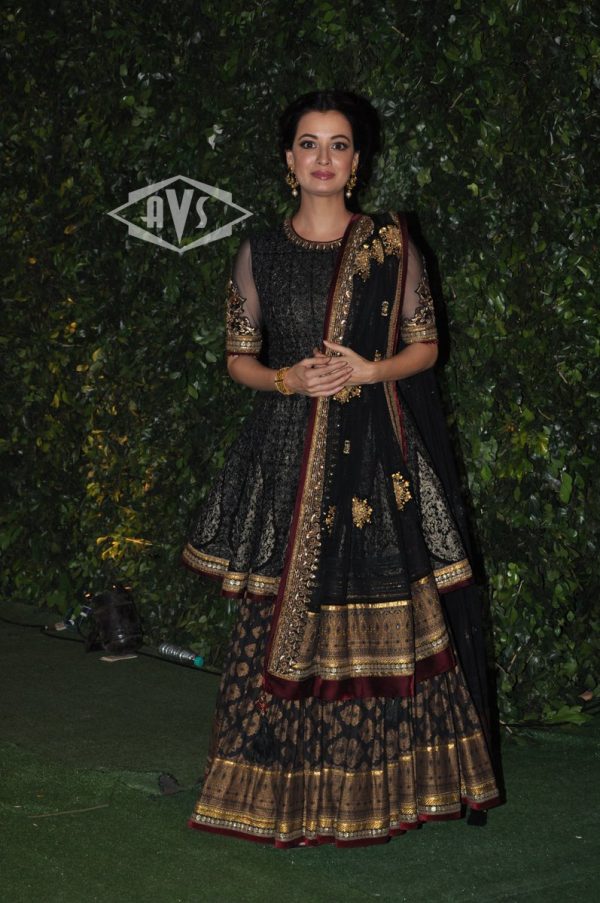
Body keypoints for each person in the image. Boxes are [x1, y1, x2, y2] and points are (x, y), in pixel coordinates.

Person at [182, 89, 502, 847]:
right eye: (308, 144)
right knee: (275, 620)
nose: (322, 158)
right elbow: (238, 358)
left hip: (374, 458)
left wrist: (370, 369)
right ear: (288, 160)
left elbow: (427, 347)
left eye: (338, 145)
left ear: (356, 162)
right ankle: (270, 793)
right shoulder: (258, 252)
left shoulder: (389, 245)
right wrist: (286, 378)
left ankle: (391, 793)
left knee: (391, 618)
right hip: (287, 454)